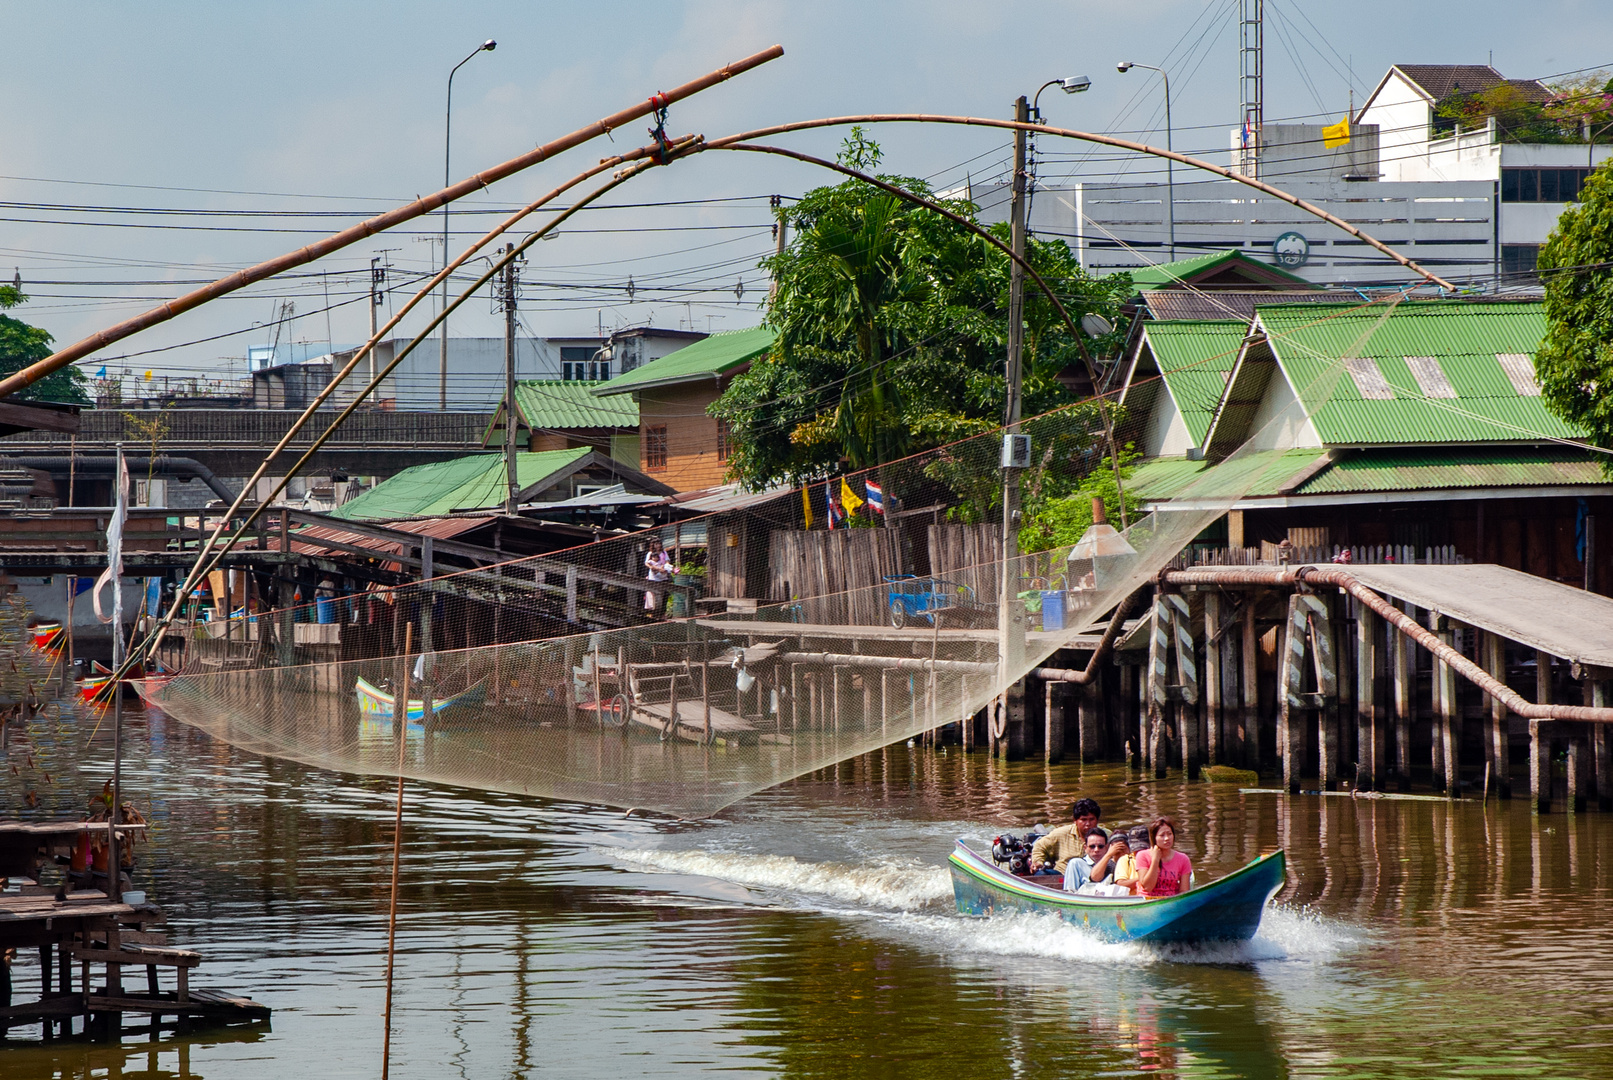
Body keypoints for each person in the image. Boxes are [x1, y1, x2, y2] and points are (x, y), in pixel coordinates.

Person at [1030, 798, 1101, 875]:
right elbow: (1040, 846)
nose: (1088, 824)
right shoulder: (1061, 833)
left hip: (1093, 876)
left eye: (1091, 819)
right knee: (1041, 874)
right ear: (1075, 820)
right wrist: (1038, 862)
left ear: (1097, 820)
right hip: (1062, 875)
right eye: (1084, 820)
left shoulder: (1106, 836)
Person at [1134, 815, 1193, 898]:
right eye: (1162, 835)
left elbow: (1184, 891)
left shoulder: (1183, 859)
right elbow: (1147, 887)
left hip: (1171, 901)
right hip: (1147, 900)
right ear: (1154, 838)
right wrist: (1155, 860)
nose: (1167, 838)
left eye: (1169, 834)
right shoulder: (1142, 855)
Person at [644, 537, 672, 612]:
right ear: (653, 545)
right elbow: (646, 563)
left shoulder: (664, 553)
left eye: (659, 544)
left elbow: (667, 561)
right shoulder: (650, 553)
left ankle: (663, 613)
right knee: (653, 594)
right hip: (654, 577)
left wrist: (665, 567)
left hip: (663, 576)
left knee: (665, 594)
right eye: (656, 544)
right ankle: (653, 612)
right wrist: (654, 568)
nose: (658, 545)